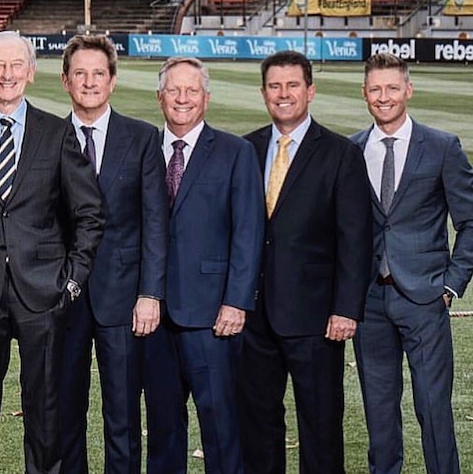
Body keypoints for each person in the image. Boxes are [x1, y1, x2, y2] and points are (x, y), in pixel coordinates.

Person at [0, 30, 104, 474]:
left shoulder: (57, 132)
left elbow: (89, 214)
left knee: (44, 408)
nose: (7, 74)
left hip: (42, 294)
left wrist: (70, 281)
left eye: (16, 66)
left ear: (30, 72)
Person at [238, 50, 372, 474]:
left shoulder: (340, 153)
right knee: (258, 426)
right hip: (255, 316)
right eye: (275, 86)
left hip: (316, 319)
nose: (283, 94)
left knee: (320, 426)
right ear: (263, 93)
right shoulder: (247, 148)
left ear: (310, 91)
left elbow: (356, 237)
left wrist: (346, 308)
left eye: (292, 85)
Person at [350, 52, 473, 474]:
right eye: (375, 89)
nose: (383, 97)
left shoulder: (441, 147)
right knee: (379, 416)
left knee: (433, 411)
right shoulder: (351, 150)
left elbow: (470, 222)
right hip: (367, 304)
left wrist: (451, 284)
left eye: (392, 88)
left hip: (425, 299)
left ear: (408, 90)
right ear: (364, 93)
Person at [58, 34, 168, 474]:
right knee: (64, 410)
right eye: (80, 74)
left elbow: (155, 222)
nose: (89, 82)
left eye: (98, 73)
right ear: (66, 81)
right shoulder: (47, 134)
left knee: (122, 412)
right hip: (61, 296)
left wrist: (150, 293)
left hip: (123, 297)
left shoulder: (142, 137)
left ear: (113, 80)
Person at [156, 56, 264, 474]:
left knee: (219, 427)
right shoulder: (146, 148)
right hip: (154, 314)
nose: (183, 99)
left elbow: (248, 233)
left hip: (212, 315)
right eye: (174, 90)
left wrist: (236, 303)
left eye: (192, 90)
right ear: (160, 96)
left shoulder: (236, 152)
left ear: (206, 97)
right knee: (164, 428)